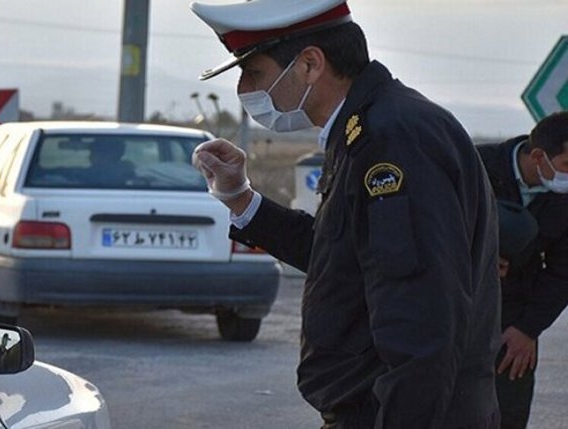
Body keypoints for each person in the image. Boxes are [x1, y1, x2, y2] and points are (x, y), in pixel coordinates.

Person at [189, 0, 502, 427]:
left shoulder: (392, 138)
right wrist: (240, 198)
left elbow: (421, 319)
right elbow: (346, 257)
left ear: (310, 64)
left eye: (254, 72)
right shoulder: (365, 127)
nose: (245, 89)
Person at [476, 111, 568, 429]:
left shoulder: (563, 198)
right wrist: (477, 256)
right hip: (453, 310)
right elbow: (429, 227)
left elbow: (563, 271)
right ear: (539, 155)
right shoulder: (475, 167)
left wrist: (529, 328)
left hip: (514, 320)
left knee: (507, 415)